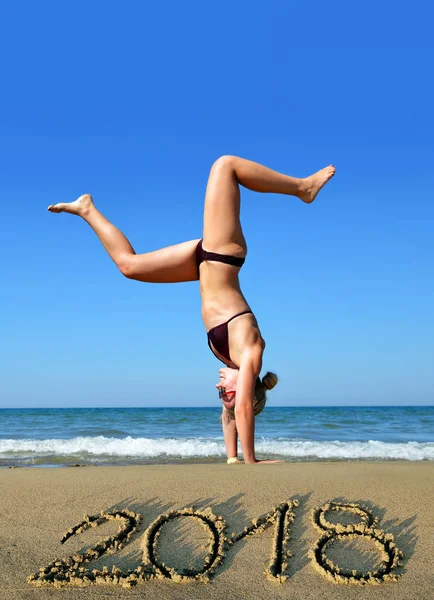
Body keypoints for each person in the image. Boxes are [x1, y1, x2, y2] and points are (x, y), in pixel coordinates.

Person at [48, 156, 335, 464]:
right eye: (225, 392)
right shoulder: (251, 353)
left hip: (201, 260)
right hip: (222, 253)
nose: (218, 385)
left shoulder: (231, 362)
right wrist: (251, 460)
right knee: (225, 165)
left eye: (220, 392)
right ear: (246, 389)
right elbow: (241, 409)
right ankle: (302, 188)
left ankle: (87, 209)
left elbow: (230, 416)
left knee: (128, 266)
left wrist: (233, 460)